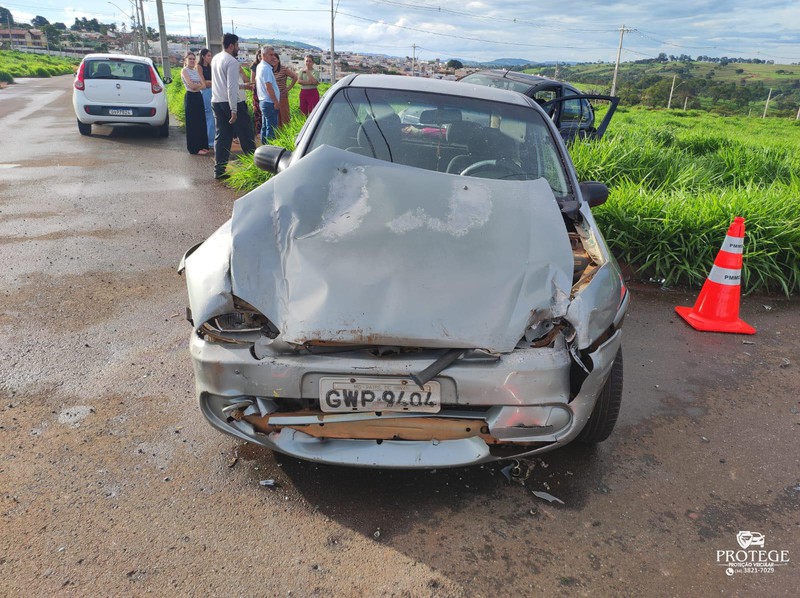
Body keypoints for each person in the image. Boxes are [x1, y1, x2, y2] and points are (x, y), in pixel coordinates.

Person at [210, 33, 256, 180]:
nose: (238, 48)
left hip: (217, 101)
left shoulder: (216, 58)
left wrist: (244, 86)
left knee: (222, 137)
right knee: (246, 135)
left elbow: (224, 84)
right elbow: (230, 87)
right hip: (231, 103)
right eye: (237, 45)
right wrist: (234, 110)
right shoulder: (232, 62)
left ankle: (219, 170)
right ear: (231, 46)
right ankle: (255, 169)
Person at [180, 52, 209, 155]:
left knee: (201, 121)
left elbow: (204, 85)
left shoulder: (195, 71)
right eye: (190, 59)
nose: (192, 60)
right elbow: (191, 86)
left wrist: (197, 86)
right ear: (185, 60)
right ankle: (194, 148)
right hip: (190, 97)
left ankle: (202, 145)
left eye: (193, 59)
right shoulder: (184, 70)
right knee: (193, 123)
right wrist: (198, 85)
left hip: (198, 96)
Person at [255, 46, 280, 144]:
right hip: (269, 102)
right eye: (270, 55)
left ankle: (264, 146)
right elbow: (268, 86)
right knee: (271, 128)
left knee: (265, 126)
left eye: (273, 54)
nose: (273, 57)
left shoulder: (260, 66)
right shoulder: (266, 68)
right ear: (263, 55)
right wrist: (275, 101)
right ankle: (270, 148)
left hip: (264, 101)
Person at [271, 53, 297, 128]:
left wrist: (288, 88)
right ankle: (279, 132)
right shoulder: (269, 69)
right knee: (276, 117)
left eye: (275, 59)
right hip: (273, 97)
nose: (273, 61)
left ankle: (286, 132)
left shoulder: (283, 69)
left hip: (282, 95)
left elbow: (295, 77)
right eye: (272, 59)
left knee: (284, 115)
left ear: (278, 60)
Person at [197, 48, 214, 150]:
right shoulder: (199, 66)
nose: (210, 57)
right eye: (208, 55)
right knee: (209, 115)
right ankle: (210, 141)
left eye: (210, 55)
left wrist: (209, 82)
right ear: (203, 56)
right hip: (205, 92)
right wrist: (210, 82)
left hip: (213, 91)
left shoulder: (210, 66)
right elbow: (203, 83)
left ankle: (212, 139)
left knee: (213, 115)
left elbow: (215, 81)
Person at [249, 49, 263, 140]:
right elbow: (252, 80)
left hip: (265, 90)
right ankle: (258, 131)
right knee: (257, 111)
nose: (260, 57)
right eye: (259, 56)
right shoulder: (255, 66)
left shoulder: (269, 65)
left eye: (262, 55)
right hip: (257, 90)